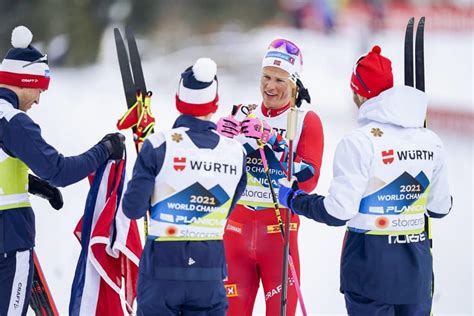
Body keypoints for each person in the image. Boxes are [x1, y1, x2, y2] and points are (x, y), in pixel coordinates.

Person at [278, 45, 452, 315]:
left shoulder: (358, 142)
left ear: (358, 92)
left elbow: (338, 212)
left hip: (368, 274)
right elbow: (440, 207)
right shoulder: (430, 140)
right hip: (416, 276)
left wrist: (294, 199)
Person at [0, 25, 125, 315]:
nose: (39, 99)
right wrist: (104, 149)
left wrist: (32, 184)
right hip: (10, 242)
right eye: (39, 88)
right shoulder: (14, 121)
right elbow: (60, 171)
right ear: (24, 81)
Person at [122, 57, 247, 315]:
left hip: (162, 272)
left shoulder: (158, 144)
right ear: (215, 102)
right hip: (209, 273)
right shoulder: (236, 152)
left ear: (179, 100)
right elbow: (226, 206)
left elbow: (132, 208)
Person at [216, 38, 324, 315]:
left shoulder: (304, 120)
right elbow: (217, 172)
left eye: (280, 80)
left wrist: (274, 140)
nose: (270, 86)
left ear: (295, 84)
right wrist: (215, 140)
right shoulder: (242, 112)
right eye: (266, 77)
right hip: (235, 231)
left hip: (278, 233)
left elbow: (309, 179)